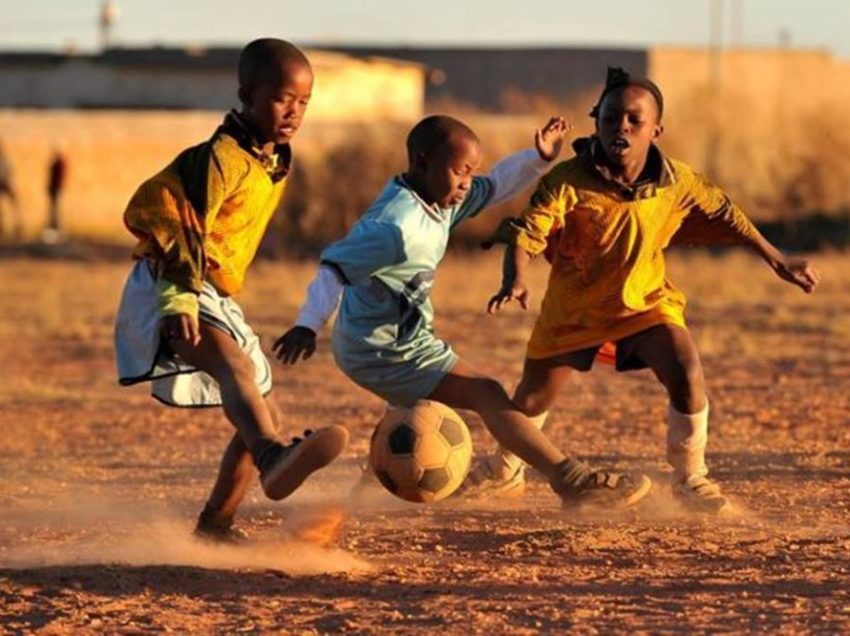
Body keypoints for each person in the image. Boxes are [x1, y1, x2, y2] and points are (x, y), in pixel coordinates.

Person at [467, 67, 820, 513]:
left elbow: (728, 213)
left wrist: (777, 257)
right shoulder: (566, 181)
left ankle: (692, 478)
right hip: (573, 311)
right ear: (596, 122)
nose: (623, 128)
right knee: (532, 399)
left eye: (635, 120)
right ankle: (505, 470)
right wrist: (514, 277)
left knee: (686, 370)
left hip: (644, 303)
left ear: (657, 129)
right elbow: (526, 233)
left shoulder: (678, 181)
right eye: (612, 118)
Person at [274, 114, 653, 511]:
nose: (467, 183)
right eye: (460, 172)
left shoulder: (438, 195)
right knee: (487, 393)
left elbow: (495, 185)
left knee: (418, 414)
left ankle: (369, 496)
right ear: (423, 163)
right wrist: (307, 324)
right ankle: (573, 482)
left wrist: (537, 159)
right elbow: (334, 266)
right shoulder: (395, 226)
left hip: (395, 338)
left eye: (470, 172)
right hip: (381, 350)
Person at [114, 38, 349, 542]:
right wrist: (177, 299)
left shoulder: (272, 159)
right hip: (174, 280)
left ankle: (216, 524)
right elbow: (184, 225)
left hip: (213, 293)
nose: (294, 112)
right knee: (237, 371)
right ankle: (271, 456)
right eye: (283, 98)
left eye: (304, 102)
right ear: (247, 94)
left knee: (264, 406)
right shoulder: (218, 158)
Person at [0, 139, 22, 241]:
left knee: (14, 205)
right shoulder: (5, 160)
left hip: (4, 183)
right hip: (3, 183)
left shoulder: (4, 160)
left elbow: (9, 172)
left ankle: (17, 226)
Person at [46, 148, 67, 237]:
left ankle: (56, 227)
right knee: (53, 209)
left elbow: (58, 177)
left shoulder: (59, 163)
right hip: (54, 188)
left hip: (56, 188)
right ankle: (54, 226)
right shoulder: (57, 163)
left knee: (55, 209)